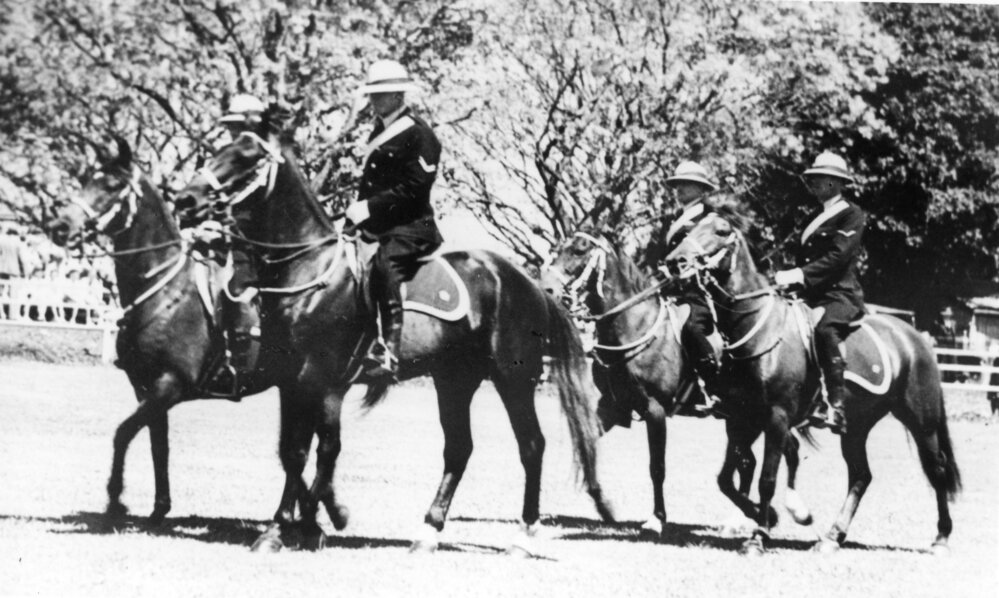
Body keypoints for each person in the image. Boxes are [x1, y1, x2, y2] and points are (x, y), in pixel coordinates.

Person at [596, 160, 720, 429]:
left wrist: (696, 267)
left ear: (701, 188)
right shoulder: (671, 220)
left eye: (685, 184)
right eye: (677, 185)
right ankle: (623, 398)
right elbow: (655, 256)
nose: (679, 189)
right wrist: (657, 273)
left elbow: (712, 252)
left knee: (689, 327)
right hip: (666, 291)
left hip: (695, 292)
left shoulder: (708, 220)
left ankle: (709, 387)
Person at [344, 59, 444, 383]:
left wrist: (370, 207)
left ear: (399, 95)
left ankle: (389, 350)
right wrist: (355, 218)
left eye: (381, 93)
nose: (374, 100)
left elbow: (416, 188)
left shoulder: (420, 134)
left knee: (386, 267)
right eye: (372, 94)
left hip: (412, 228)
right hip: (379, 225)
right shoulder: (379, 131)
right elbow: (370, 183)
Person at [774, 152, 867, 435]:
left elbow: (838, 257)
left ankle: (835, 405)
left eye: (821, 178)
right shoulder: (813, 217)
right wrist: (787, 279)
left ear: (837, 183)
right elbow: (804, 258)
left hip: (839, 295)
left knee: (826, 331)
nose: (814, 183)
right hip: (808, 295)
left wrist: (800, 275)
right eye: (813, 178)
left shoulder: (852, 214)